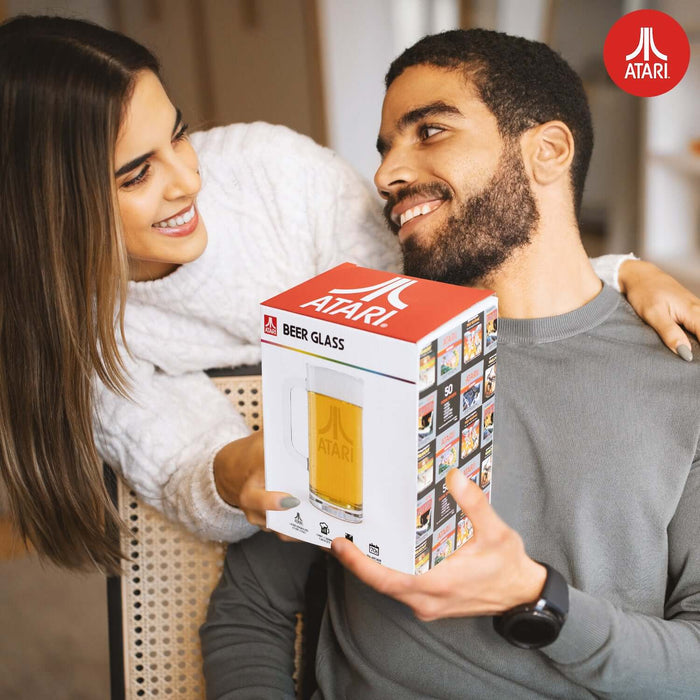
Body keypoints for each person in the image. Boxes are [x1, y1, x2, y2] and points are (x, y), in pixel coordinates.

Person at [0, 16, 694, 574]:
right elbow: (183, 466)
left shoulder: (269, 170)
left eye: (178, 135)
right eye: (135, 174)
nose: (187, 179)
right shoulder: (81, 336)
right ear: (48, 207)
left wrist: (614, 273)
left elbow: (442, 270)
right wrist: (239, 468)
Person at [201, 29, 700, 699]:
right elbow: (251, 607)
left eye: (429, 131)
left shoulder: (679, 378)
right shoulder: (368, 357)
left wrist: (535, 598)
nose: (385, 174)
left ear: (548, 151)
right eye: (384, 149)